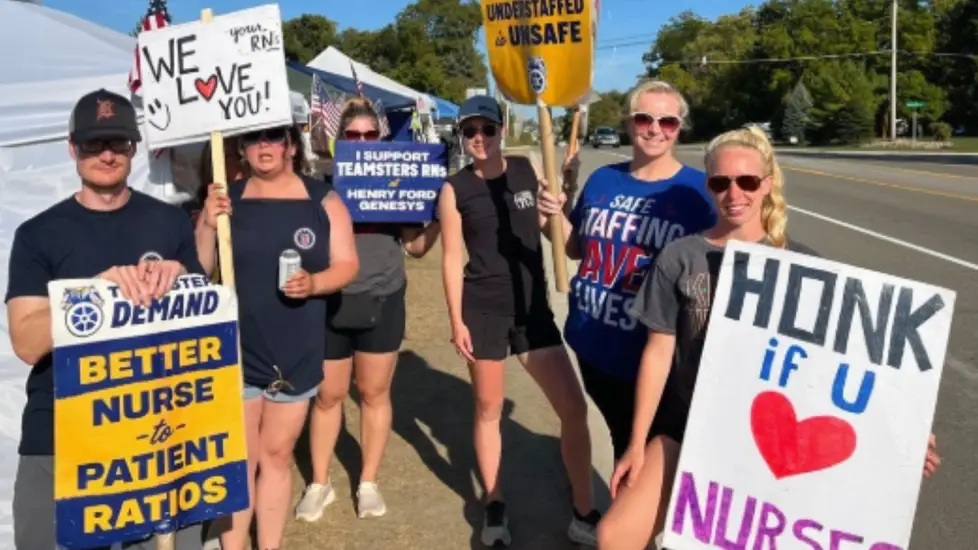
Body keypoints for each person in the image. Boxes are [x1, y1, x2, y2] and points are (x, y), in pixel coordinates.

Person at [594, 127, 942, 549]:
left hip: (764, 445)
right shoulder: (682, 256)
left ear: (767, 185)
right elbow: (659, 351)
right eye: (721, 182)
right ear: (709, 185)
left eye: (747, 181)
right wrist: (635, 443)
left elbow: (847, 363)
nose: (734, 193)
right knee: (613, 535)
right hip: (686, 426)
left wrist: (903, 432)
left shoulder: (803, 265)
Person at [6, 89, 205, 549]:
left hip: (156, 435)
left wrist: (188, 283)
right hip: (60, 435)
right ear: (73, 148)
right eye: (94, 144)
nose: (107, 154)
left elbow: (200, 329)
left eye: (118, 142)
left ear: (134, 148)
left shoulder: (170, 223)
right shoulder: (38, 234)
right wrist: (95, 294)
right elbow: (27, 342)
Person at [438, 95, 600, 547]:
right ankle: (494, 503)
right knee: (489, 410)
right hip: (483, 309)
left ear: (501, 130)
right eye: (470, 132)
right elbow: (452, 259)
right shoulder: (454, 189)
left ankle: (584, 509)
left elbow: (557, 234)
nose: (479, 139)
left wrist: (558, 209)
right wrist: (456, 320)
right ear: (462, 136)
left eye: (487, 130)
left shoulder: (527, 168)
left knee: (573, 408)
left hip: (532, 307)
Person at [197, 123, 359, 550]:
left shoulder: (321, 200)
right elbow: (199, 265)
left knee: (276, 456)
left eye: (272, 137)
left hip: (295, 350)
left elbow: (347, 264)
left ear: (290, 145)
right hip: (236, 349)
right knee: (240, 463)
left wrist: (316, 283)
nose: (263, 147)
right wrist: (207, 225)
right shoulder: (226, 198)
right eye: (253, 139)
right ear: (242, 148)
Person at [539, 80, 716, 463]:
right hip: (592, 342)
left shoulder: (698, 193)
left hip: (651, 355)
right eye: (644, 118)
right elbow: (578, 249)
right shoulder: (604, 180)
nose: (655, 129)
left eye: (667, 121)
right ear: (629, 122)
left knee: (644, 454)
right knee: (621, 438)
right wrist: (550, 218)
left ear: (680, 126)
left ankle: (629, 521)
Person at [295, 98, 440, 521]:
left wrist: (440, 215)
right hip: (330, 299)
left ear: (382, 138)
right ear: (341, 140)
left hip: (383, 296)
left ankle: (369, 482)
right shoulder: (320, 184)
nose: (361, 142)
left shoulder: (398, 180)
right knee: (328, 396)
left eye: (369, 135)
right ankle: (319, 483)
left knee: (374, 394)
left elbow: (414, 247)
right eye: (353, 136)